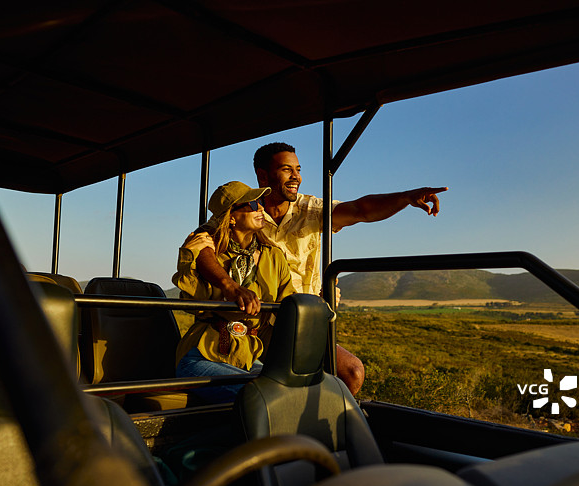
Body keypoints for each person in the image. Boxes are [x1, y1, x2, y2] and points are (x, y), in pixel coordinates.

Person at [192, 142, 448, 395]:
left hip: (303, 321)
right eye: (286, 170)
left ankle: (324, 429)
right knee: (278, 389)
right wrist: (230, 286)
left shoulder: (311, 209)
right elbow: (200, 244)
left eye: (299, 169)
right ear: (263, 175)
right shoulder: (245, 213)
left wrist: (404, 197)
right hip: (263, 322)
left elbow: (360, 210)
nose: (296, 177)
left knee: (351, 373)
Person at [172, 181, 295, 403]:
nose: (261, 208)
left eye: (261, 202)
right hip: (204, 356)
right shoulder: (208, 252)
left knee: (290, 395)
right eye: (253, 203)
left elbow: (289, 303)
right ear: (231, 216)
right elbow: (192, 299)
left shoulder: (273, 256)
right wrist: (228, 286)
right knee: (259, 399)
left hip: (248, 357)